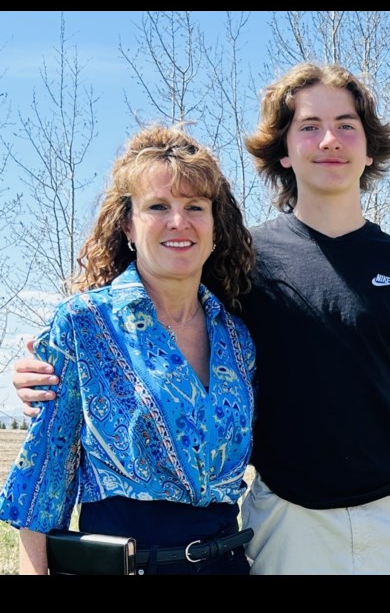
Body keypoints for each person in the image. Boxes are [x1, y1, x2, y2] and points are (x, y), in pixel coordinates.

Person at [14, 63, 390, 575]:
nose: (329, 139)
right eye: (309, 126)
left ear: (368, 145)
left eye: (346, 124)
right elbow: (144, 330)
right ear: (284, 150)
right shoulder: (248, 266)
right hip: (287, 521)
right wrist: (37, 373)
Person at [0, 126, 258, 575]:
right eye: (158, 206)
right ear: (128, 225)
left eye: (194, 207)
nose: (178, 221)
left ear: (216, 225)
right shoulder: (84, 325)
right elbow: (43, 483)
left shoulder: (238, 339)